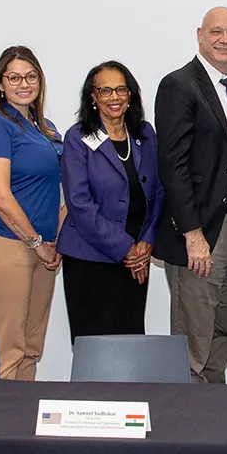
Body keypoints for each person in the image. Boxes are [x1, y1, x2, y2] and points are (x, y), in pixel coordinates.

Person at [156, 6, 227, 383]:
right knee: (193, 340)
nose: (225, 39)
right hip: (203, 232)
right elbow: (173, 164)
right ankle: (189, 427)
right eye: (217, 32)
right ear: (200, 34)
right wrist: (192, 233)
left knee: (224, 331)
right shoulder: (179, 85)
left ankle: (216, 417)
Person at [0, 47, 64, 379]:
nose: (23, 84)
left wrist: (55, 241)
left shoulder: (47, 127)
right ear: (0, 84)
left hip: (46, 249)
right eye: (14, 77)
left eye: (30, 76)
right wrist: (36, 241)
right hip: (8, 244)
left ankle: (23, 423)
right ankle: (0, 427)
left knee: (31, 347)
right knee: (8, 348)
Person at [57, 62, 163, 340]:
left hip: (136, 263)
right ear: (92, 97)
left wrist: (146, 244)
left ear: (131, 94)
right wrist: (126, 248)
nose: (114, 97)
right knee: (95, 348)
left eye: (120, 89)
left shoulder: (145, 135)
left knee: (130, 344)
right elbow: (79, 203)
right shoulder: (77, 138)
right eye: (105, 90)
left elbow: (159, 192)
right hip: (91, 260)